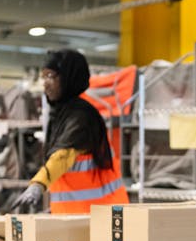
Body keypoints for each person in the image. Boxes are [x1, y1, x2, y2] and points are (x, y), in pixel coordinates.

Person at [13, 48, 129, 213]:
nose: (45, 83)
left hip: (101, 214)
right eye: (43, 76)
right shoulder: (62, 112)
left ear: (68, 78)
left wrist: (38, 184)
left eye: (51, 76)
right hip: (78, 214)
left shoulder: (81, 115)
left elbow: (63, 156)